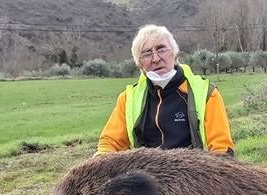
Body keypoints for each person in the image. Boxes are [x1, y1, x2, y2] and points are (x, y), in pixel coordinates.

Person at [96, 24, 235, 156]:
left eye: (161, 49)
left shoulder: (206, 94)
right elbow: (110, 143)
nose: (156, 58)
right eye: (147, 53)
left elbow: (221, 149)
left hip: (194, 177)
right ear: (140, 63)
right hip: (145, 177)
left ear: (175, 54)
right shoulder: (127, 99)